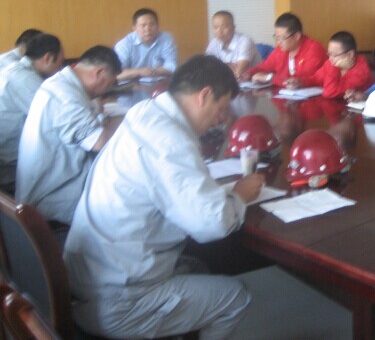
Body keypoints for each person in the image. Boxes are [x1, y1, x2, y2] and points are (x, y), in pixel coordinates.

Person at [63, 55, 264, 340]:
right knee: (235, 297)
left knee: (198, 266)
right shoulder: (169, 140)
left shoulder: (146, 112)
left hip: (88, 277)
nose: (221, 120)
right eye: (221, 109)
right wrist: (239, 195)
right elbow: (212, 224)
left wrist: (222, 195)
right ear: (204, 95)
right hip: (119, 301)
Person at [15, 46, 122, 225]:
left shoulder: (62, 83)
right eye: (110, 83)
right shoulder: (65, 96)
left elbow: (89, 114)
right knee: (133, 207)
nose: (106, 90)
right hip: (53, 200)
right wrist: (127, 120)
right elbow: (99, 142)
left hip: (54, 184)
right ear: (100, 73)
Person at [0, 34, 64, 194]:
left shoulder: (16, 69)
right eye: (60, 62)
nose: (60, 69)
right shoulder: (25, 79)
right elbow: (57, 117)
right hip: (10, 166)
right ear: (48, 58)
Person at [241, 13, 326, 87]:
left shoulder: (314, 49)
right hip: (288, 96)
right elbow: (265, 66)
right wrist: (248, 73)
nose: (279, 42)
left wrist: (269, 78)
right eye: (277, 37)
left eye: (282, 38)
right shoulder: (281, 50)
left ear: (297, 36)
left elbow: (300, 81)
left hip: (316, 98)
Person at [296, 31, 374, 98]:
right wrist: (300, 82)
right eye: (329, 54)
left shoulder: (360, 71)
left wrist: (334, 67)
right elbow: (316, 79)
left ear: (350, 54)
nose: (330, 58)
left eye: (334, 55)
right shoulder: (331, 62)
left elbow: (330, 92)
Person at [114, 8, 177, 81]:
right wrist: (140, 72)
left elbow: (172, 65)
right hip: (131, 84)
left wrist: (152, 71)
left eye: (152, 24)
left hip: (159, 82)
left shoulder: (166, 38)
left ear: (158, 25)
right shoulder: (124, 44)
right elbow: (117, 74)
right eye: (143, 25)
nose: (148, 29)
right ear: (134, 28)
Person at [205, 10, 261, 78]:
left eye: (224, 27)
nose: (219, 31)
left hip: (252, 81)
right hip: (226, 81)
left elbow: (238, 71)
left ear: (234, 27)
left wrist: (218, 66)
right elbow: (207, 67)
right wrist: (226, 65)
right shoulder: (214, 43)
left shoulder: (245, 41)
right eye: (215, 27)